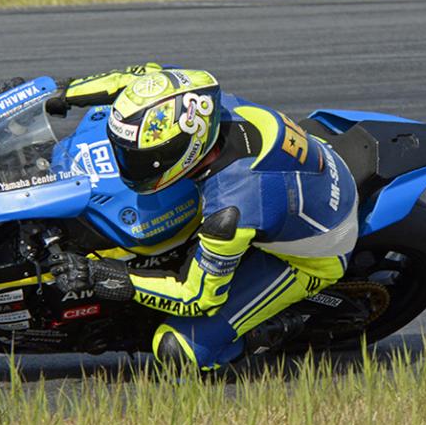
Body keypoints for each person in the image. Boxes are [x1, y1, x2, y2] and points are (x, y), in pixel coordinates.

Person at [46, 63, 359, 370]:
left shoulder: (230, 209)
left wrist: (103, 275)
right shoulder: (194, 95)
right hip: (299, 180)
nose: (124, 162)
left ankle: (268, 330)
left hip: (315, 250)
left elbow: (196, 297)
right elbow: (138, 79)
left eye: (139, 159)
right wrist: (64, 92)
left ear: (181, 152)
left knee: (176, 349)